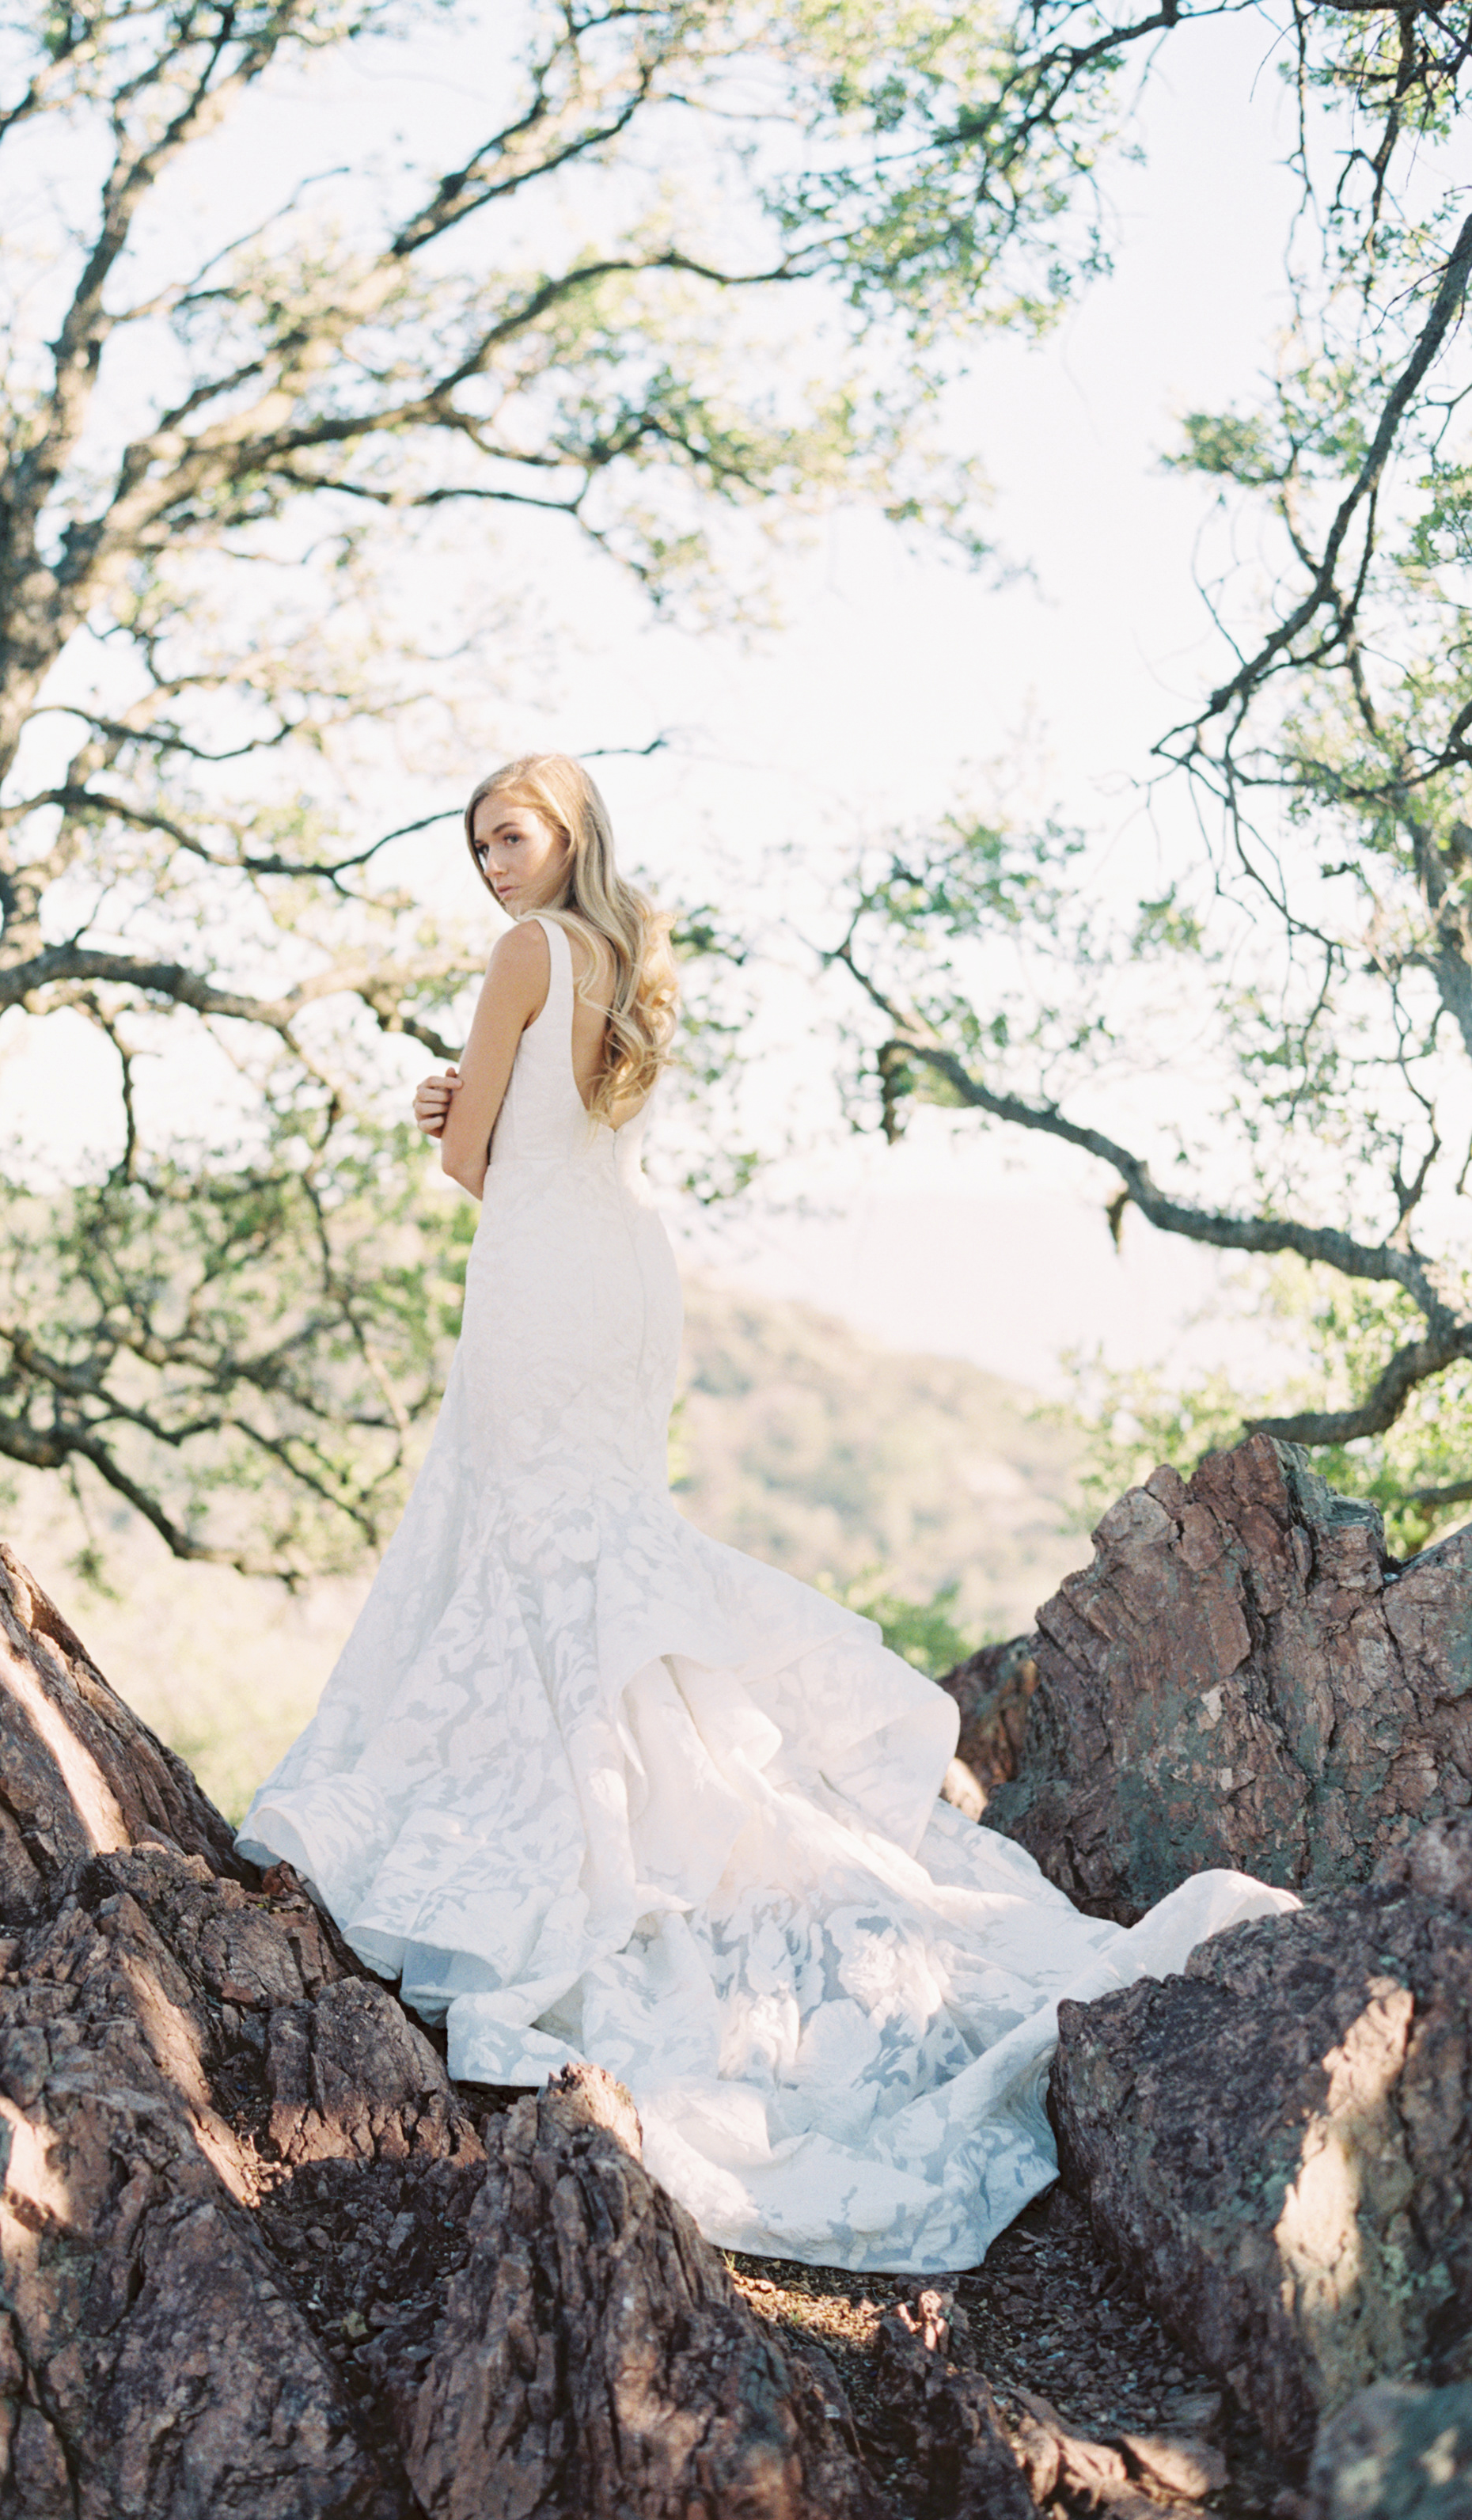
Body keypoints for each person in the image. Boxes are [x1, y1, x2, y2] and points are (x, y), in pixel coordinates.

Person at [236, 753, 1292, 2274]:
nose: (489, 863)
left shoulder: (527, 952)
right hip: (616, 1274)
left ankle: (567, 1827)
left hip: (543, 1278)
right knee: (580, 1535)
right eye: (475, 845)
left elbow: (483, 1163)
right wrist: (485, 1118)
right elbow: (552, 1148)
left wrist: (440, 1115)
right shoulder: (621, 961)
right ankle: (615, 1793)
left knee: (530, 1537)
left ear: (568, 836)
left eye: (509, 835)